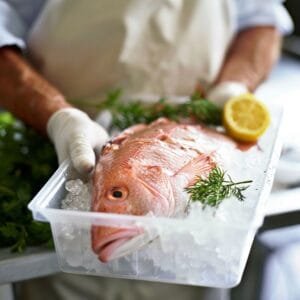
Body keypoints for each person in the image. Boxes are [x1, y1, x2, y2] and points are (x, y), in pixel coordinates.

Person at [0, 1, 293, 300]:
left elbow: (262, 20)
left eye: (116, 195)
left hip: (196, 265)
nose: (111, 213)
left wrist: (233, 88)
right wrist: (58, 118)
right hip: (68, 233)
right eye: (116, 195)